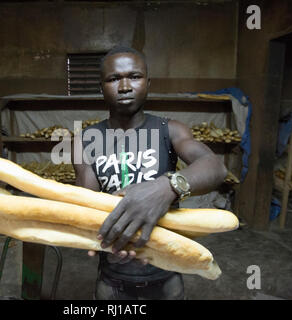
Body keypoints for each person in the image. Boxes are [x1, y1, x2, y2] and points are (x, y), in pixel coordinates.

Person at [72, 46, 227, 300]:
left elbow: (215, 167)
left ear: (148, 82)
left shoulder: (171, 130)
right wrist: (100, 238)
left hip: (167, 278)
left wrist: (167, 186)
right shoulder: (85, 141)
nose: (124, 86)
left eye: (134, 76)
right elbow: (84, 210)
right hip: (113, 281)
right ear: (101, 87)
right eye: (113, 79)